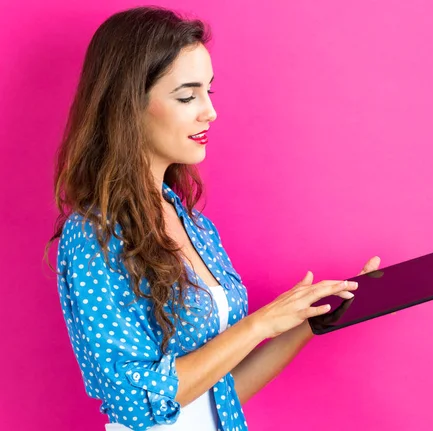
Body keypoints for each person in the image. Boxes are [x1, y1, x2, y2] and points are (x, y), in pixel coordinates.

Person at [44, 6, 380, 431]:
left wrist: (312, 321)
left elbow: (221, 391)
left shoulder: (193, 224)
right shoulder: (94, 235)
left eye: (209, 92)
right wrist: (261, 323)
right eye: (187, 96)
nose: (209, 111)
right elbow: (139, 406)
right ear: (128, 105)